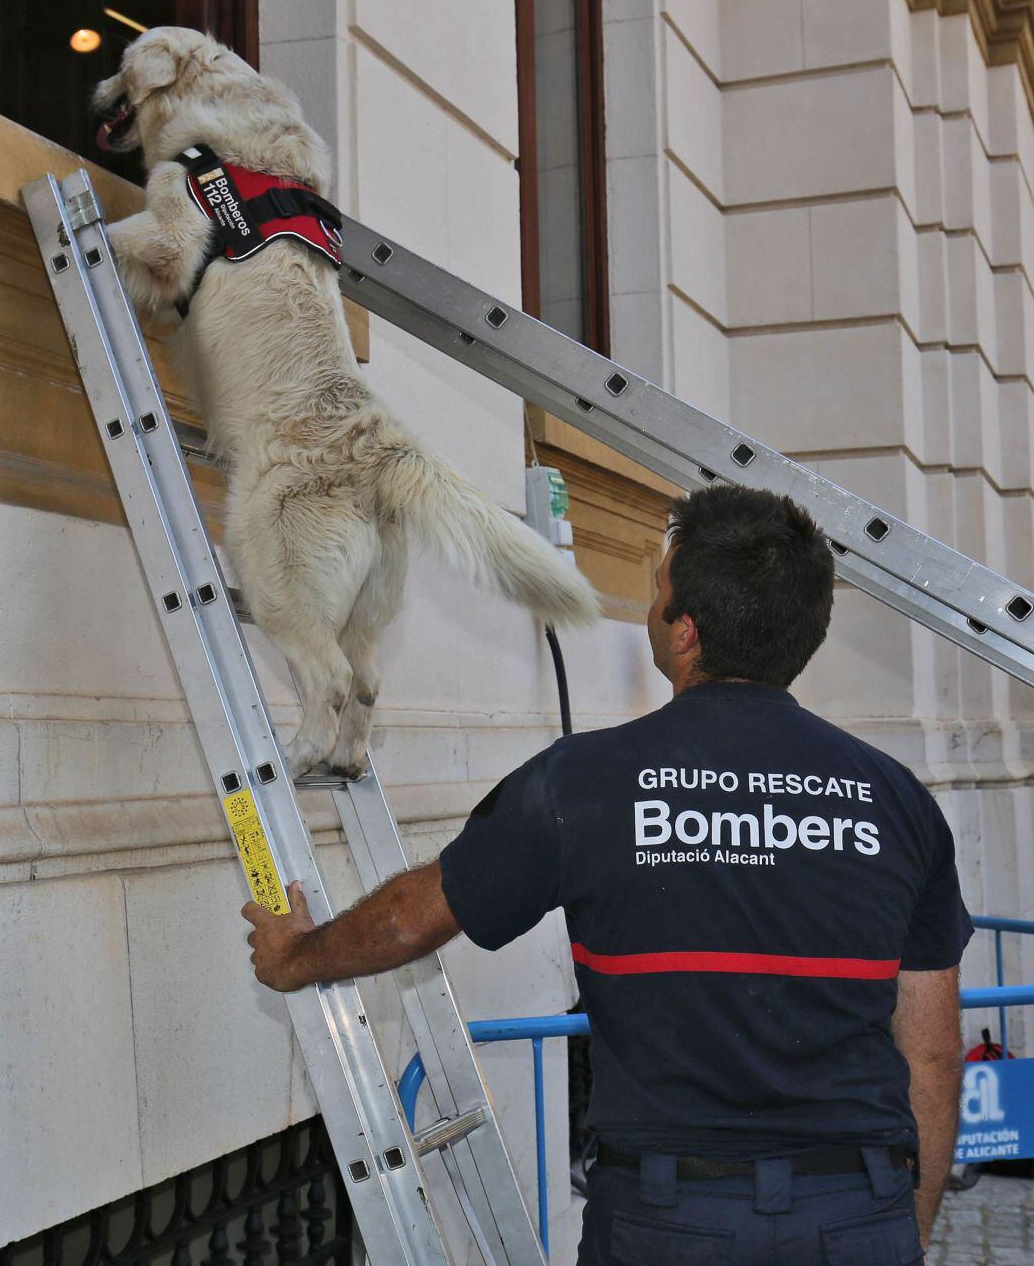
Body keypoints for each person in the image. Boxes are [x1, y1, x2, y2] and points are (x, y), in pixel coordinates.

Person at [243, 484, 972, 1264]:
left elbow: (407, 920)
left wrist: (295, 954)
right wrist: (901, 1232)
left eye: (658, 589)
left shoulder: (586, 782)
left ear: (685, 633)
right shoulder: (895, 801)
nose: (653, 606)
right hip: (852, 1211)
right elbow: (931, 1051)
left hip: (670, 1220)